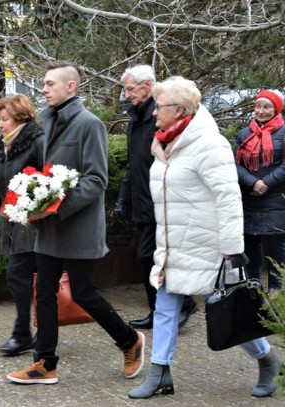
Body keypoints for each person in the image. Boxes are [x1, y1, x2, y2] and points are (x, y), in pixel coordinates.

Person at [128, 76, 282, 399]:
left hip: (209, 246)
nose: (154, 113)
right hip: (172, 245)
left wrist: (232, 249)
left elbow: (228, 198)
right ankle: (160, 374)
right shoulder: (163, 141)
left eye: (160, 107)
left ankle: (268, 358)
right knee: (165, 306)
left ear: (180, 109)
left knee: (231, 309)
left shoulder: (210, 144)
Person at [7, 61, 145, 385]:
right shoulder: (48, 123)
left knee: (83, 293)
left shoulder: (89, 124)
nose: (43, 89)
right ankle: (45, 364)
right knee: (44, 294)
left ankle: (130, 341)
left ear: (71, 87)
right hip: (49, 229)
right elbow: (45, 177)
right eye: (43, 83)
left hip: (78, 227)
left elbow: (97, 179)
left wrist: (54, 208)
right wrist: (31, 206)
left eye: (50, 83)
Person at [115, 65, 198, 330]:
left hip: (163, 200)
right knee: (150, 257)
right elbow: (134, 163)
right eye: (126, 89)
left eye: (130, 88)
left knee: (150, 256)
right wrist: (122, 199)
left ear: (147, 85)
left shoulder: (162, 116)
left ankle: (180, 305)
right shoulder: (136, 120)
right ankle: (163, 310)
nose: (127, 94)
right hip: (143, 200)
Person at [0, 94, 44, 356]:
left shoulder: (37, 141)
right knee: (29, 280)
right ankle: (35, 333)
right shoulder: (2, 145)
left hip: (34, 223)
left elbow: (49, 180)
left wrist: (35, 210)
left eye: (4, 119)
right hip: (12, 221)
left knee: (20, 276)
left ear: (20, 117)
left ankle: (24, 334)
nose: (0, 125)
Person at [235, 89, 285, 298]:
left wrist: (266, 182)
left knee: (277, 248)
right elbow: (235, 165)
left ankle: (277, 293)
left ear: (276, 109)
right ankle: (253, 292)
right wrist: (253, 183)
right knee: (251, 247)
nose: (261, 111)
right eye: (258, 106)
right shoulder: (244, 134)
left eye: (267, 107)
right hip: (250, 198)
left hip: (276, 199)